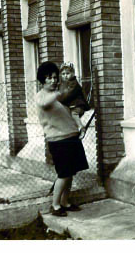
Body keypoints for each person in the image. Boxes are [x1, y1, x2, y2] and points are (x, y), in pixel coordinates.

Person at [36, 61, 89, 217]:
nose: (53, 80)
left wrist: (79, 126)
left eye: (54, 77)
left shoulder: (59, 93)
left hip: (71, 137)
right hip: (58, 141)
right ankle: (55, 205)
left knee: (70, 173)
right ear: (42, 80)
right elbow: (45, 103)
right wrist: (60, 92)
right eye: (49, 78)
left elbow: (70, 112)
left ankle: (65, 202)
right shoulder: (42, 96)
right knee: (63, 174)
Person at [59, 62, 90, 139]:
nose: (65, 76)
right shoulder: (63, 84)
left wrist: (59, 99)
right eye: (63, 74)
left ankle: (82, 128)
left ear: (73, 73)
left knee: (74, 114)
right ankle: (72, 132)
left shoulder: (73, 83)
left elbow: (68, 94)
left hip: (78, 105)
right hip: (71, 105)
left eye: (67, 73)